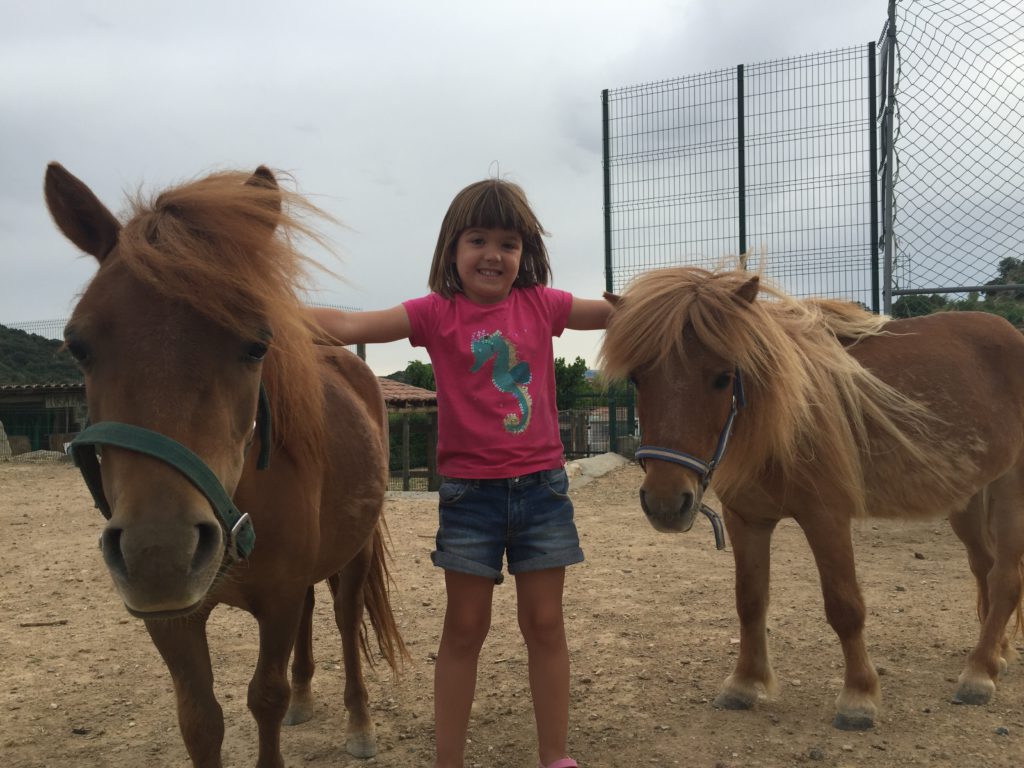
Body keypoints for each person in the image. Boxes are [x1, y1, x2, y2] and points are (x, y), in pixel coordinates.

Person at [310, 178, 610, 768]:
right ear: (453, 248)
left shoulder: (543, 304)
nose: (493, 255)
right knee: (464, 628)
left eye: (508, 243)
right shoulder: (436, 314)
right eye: (478, 240)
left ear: (526, 255)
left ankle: (556, 756)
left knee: (546, 624)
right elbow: (348, 327)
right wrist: (260, 308)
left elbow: (611, 312)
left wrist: (689, 292)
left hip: (543, 490)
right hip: (470, 497)